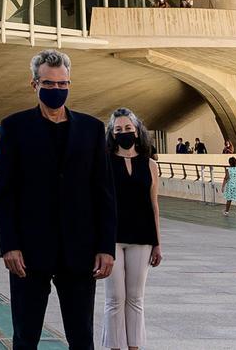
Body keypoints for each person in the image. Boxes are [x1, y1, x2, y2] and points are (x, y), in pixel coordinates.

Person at [0, 50, 116, 350]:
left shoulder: (91, 129)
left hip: (79, 251)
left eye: (63, 84)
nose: (57, 90)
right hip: (29, 253)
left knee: (81, 337)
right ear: (34, 84)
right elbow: (5, 193)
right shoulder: (15, 127)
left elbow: (104, 193)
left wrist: (105, 247)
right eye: (49, 84)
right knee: (25, 336)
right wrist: (9, 244)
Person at [103, 108, 161, 350]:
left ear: (137, 132)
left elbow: (153, 204)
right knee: (115, 298)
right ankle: (114, 346)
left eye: (128, 128)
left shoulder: (149, 165)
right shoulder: (103, 162)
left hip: (142, 237)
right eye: (118, 129)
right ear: (112, 134)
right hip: (112, 237)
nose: (124, 133)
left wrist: (157, 242)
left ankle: (134, 346)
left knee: (135, 298)